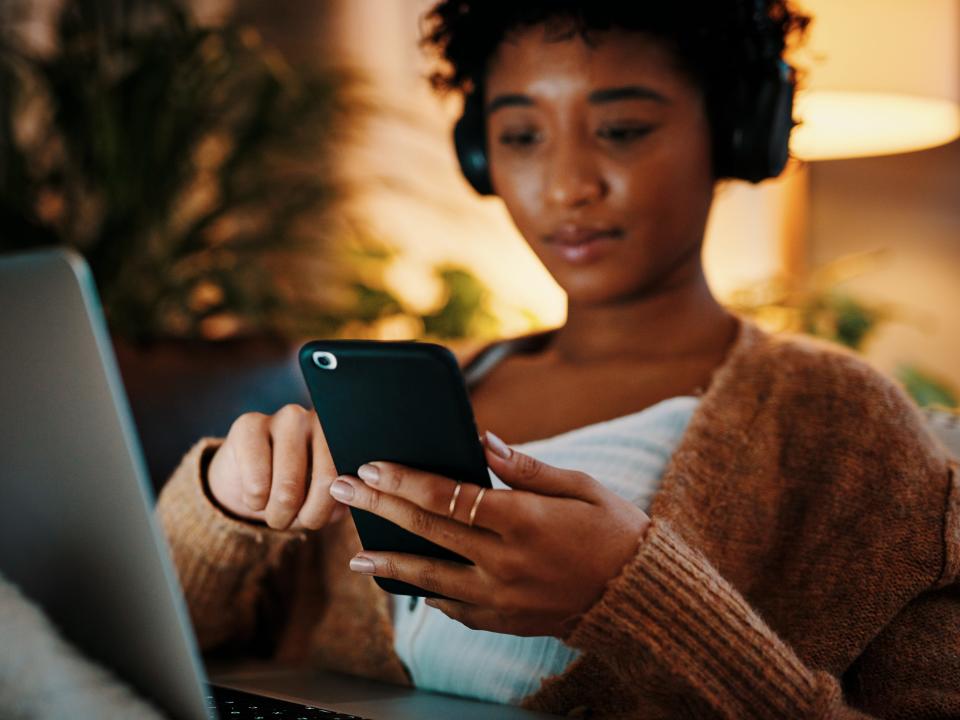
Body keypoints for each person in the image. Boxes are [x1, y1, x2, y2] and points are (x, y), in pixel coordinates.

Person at [157, 1, 960, 717]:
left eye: (621, 131)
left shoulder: (846, 424)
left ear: (736, 130)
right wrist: (223, 506)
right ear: (481, 157)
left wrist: (635, 599)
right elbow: (168, 646)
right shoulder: (421, 387)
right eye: (520, 137)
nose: (568, 184)